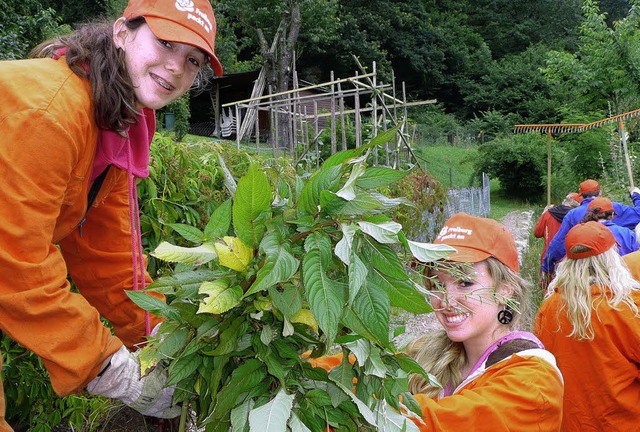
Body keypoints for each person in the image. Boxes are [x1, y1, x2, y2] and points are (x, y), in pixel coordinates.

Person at [0, 0, 223, 428]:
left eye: (192, 59)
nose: (176, 67)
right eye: (164, 42)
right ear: (122, 33)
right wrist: (111, 369)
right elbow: (15, 264)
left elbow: (108, 256)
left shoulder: (113, 121)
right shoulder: (50, 112)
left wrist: (163, 340)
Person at [309, 213, 564, 430]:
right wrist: (299, 371)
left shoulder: (533, 382)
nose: (446, 300)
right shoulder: (430, 352)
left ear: (505, 290)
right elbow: (361, 369)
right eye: (438, 284)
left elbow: (436, 422)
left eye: (465, 283)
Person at [534, 221, 640, 431]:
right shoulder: (630, 307)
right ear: (612, 258)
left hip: (568, 423)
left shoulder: (548, 308)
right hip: (623, 423)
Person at [542, 179, 640, 274]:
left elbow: (559, 242)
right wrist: (636, 195)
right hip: (621, 275)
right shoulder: (616, 211)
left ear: (581, 196)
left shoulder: (573, 215)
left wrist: (548, 266)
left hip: (586, 272)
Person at [534, 192, 581, 289]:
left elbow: (537, 233)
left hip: (548, 257)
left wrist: (544, 214)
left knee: (547, 290)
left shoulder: (548, 213)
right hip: (569, 258)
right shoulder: (577, 217)